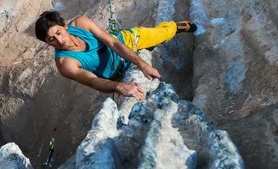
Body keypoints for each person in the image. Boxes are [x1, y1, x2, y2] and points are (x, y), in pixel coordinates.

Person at [35, 11, 196, 101]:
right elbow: (92, 81)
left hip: (126, 42)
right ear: (47, 43)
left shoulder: (81, 24)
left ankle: (175, 26)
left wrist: (142, 64)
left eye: (59, 32)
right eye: (51, 39)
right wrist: (119, 87)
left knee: (162, 33)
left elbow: (113, 43)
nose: (59, 40)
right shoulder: (65, 63)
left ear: (65, 26)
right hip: (117, 76)